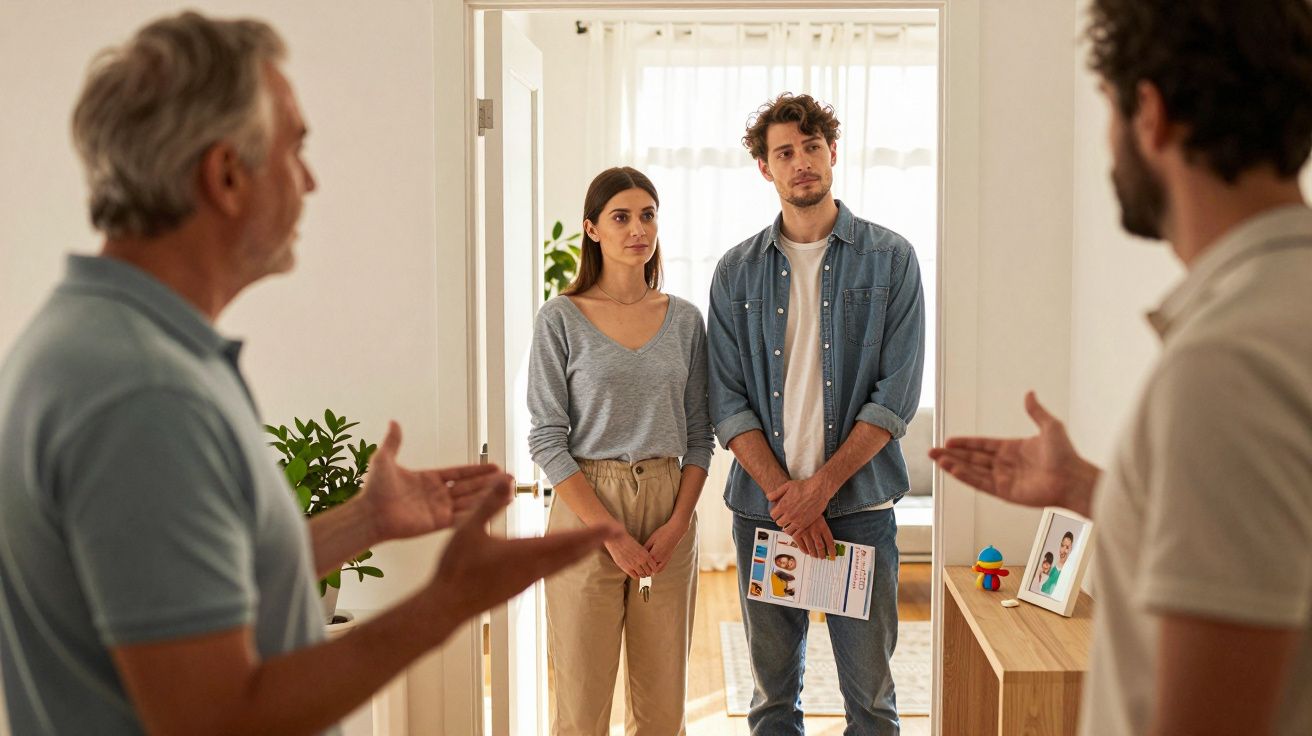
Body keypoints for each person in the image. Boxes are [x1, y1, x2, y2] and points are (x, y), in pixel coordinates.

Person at [0, 13, 616, 735]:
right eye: (296, 148)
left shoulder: (103, 338)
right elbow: (220, 719)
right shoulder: (144, 393)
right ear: (226, 175)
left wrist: (362, 521)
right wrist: (446, 604)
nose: (312, 180)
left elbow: (188, 585)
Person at [929, 1, 1312, 733]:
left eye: (1106, 108)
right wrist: (1086, 488)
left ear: (1150, 113)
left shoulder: (1227, 367)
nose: (1107, 146)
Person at [708, 93, 925, 735]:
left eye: (811, 147)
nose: (800, 162)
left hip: (859, 511)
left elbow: (896, 396)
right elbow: (726, 401)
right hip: (765, 515)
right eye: (784, 152)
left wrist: (819, 491)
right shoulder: (735, 273)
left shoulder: (892, 260)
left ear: (833, 152)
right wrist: (787, 497)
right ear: (765, 168)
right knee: (773, 704)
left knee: (872, 704)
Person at [527, 166, 714, 735]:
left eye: (648, 215)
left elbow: (700, 434)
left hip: (667, 503)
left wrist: (678, 522)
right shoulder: (560, 318)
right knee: (582, 707)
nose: (639, 229)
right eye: (622, 217)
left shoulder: (684, 320)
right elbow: (545, 437)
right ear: (592, 229)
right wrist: (610, 534)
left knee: (663, 710)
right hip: (585, 510)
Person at [1040, 531, 1074, 596]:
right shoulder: (1053, 564)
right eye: (1062, 545)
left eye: (1067, 547)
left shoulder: (1068, 570)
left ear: (1071, 549)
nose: (1062, 550)